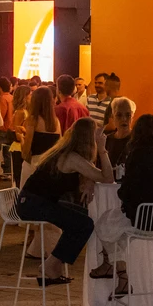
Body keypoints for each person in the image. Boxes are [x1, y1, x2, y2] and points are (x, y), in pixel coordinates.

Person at [16, 117, 112, 284]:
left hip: (31, 201)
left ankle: (53, 264)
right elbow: (108, 177)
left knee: (83, 217)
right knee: (84, 224)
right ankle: (51, 265)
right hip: (35, 204)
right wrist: (103, 150)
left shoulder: (63, 151)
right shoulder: (72, 158)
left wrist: (90, 180)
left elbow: (90, 172)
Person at [94, 112, 153, 295]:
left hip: (144, 219)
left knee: (104, 224)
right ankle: (116, 271)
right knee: (117, 232)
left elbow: (128, 190)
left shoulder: (137, 154)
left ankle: (119, 273)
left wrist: (123, 195)